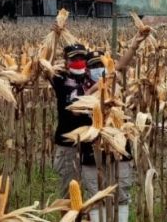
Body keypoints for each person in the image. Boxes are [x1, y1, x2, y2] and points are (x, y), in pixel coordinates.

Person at [80, 34, 148, 222]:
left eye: (100, 66)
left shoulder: (114, 87)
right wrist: (96, 89)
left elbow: (121, 66)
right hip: (92, 153)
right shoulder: (82, 90)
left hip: (119, 150)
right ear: (87, 69)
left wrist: (134, 46)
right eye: (93, 66)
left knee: (121, 193)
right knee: (95, 194)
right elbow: (78, 105)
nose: (97, 70)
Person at [51, 44, 94, 199]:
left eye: (82, 57)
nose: (78, 61)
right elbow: (44, 64)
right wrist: (54, 37)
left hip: (90, 142)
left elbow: (118, 68)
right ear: (66, 60)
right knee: (68, 194)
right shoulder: (60, 79)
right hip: (68, 144)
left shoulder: (92, 78)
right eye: (74, 58)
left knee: (91, 192)